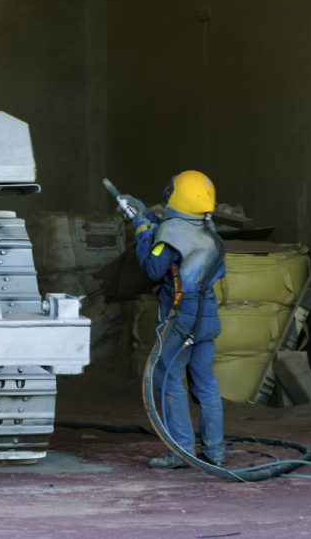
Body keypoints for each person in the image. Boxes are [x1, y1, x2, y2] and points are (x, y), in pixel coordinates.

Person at [125, 170, 226, 469]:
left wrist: (142, 231)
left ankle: (180, 451)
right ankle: (215, 451)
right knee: (206, 383)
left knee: (167, 379)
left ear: (178, 196)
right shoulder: (208, 231)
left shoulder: (170, 234)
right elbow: (175, 240)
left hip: (181, 316)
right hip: (206, 313)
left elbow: (154, 266)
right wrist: (146, 215)